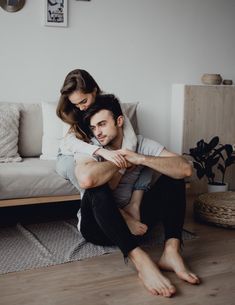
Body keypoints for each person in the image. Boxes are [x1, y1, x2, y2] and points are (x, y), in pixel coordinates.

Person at [74, 94, 200, 298]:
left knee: (173, 175)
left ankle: (172, 251)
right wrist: (119, 161)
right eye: (94, 127)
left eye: (102, 124)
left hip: (138, 220)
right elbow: (87, 180)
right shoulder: (92, 148)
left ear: (119, 121)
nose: (98, 132)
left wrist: (140, 158)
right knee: (95, 185)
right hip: (97, 226)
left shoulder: (142, 144)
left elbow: (185, 169)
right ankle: (140, 260)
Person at [56, 69, 152, 235]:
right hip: (68, 154)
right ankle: (120, 214)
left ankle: (127, 208)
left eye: (83, 101)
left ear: (94, 90)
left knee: (143, 161)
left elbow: (131, 138)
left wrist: (122, 163)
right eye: (76, 104)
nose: (80, 107)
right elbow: (68, 143)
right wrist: (100, 151)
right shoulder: (70, 110)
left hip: (95, 151)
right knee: (83, 174)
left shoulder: (109, 104)